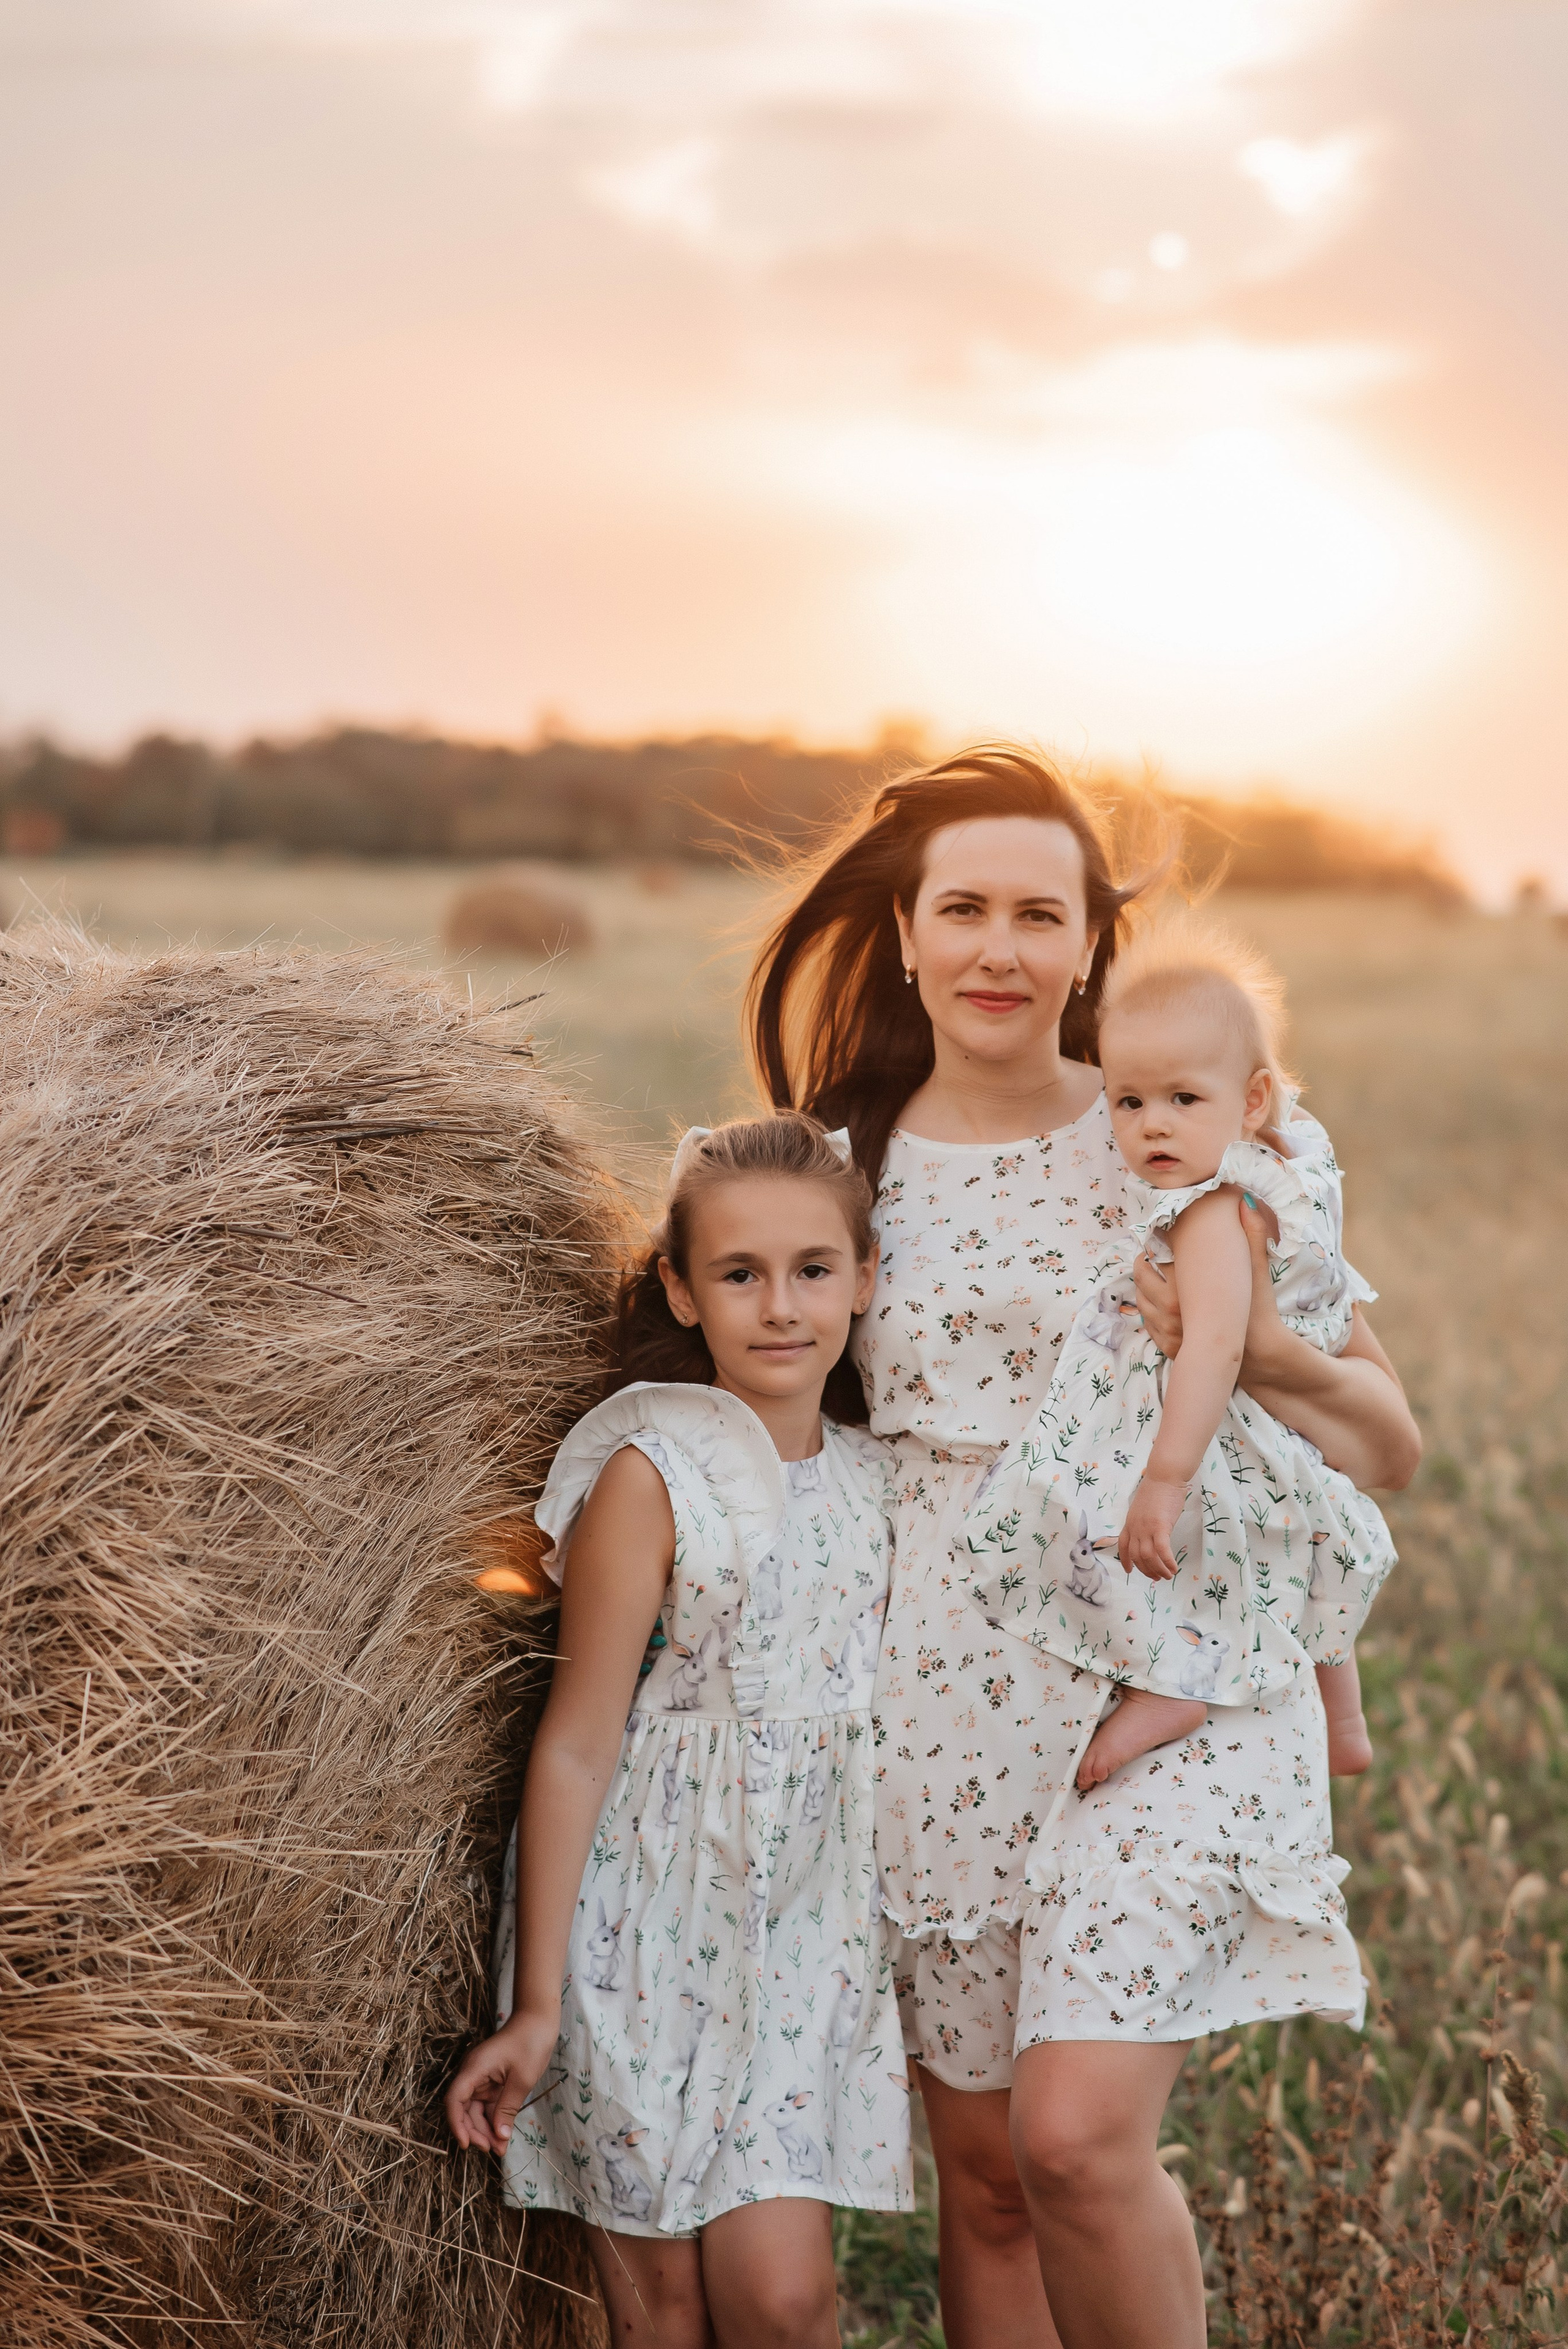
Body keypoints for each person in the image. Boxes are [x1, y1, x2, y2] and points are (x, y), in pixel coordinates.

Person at [747, 747, 1420, 2349]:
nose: (999, 946)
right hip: (938, 1697)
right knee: (988, 2177)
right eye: (962, 907)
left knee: (1076, 2138)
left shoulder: (1180, 1128)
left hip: (1175, 1662)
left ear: (1088, 939)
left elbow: (1389, 1445)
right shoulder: (838, 1162)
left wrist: (1255, 1357)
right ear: (902, 933)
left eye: (1039, 911)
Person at [444, 1112, 911, 2349]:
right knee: (658, 2318)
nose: (780, 1306)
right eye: (737, 1273)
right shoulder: (652, 1475)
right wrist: (536, 2002)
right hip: (640, 1939)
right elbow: (579, 1740)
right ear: (679, 1288)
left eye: (812, 1269)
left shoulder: (881, 1480)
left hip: (804, 1942)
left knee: (783, 2299)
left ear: (864, 1279)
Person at [961, 914, 1392, 1792]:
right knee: (1297, 1551)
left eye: (1182, 1101)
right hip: (1291, 1437)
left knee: (1135, 1535)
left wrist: (1163, 1476)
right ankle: (1342, 1722)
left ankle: (1167, 1684)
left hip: (1217, 1431)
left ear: (1253, 1100)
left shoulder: (1207, 1209)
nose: (1153, 1127)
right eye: (1130, 1102)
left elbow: (1220, 1346)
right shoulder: (1295, 1171)